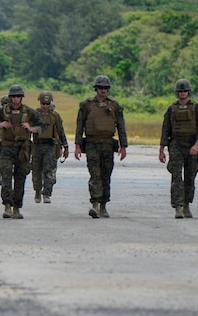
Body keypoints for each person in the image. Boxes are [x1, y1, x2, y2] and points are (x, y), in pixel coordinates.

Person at [0, 85, 43, 219]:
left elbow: (42, 126)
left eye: (18, 96)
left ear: (21, 98)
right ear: (10, 98)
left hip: (22, 149)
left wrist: (31, 128)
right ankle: (7, 206)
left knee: (20, 179)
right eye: (13, 97)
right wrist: (1, 125)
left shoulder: (29, 112)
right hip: (6, 148)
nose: (16, 99)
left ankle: (16, 208)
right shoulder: (2, 111)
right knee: (6, 178)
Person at [74, 75, 128, 219]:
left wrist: (123, 146)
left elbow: (121, 126)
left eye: (105, 88)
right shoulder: (87, 105)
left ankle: (103, 205)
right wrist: (77, 145)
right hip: (92, 144)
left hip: (108, 144)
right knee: (95, 174)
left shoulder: (114, 106)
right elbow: (80, 125)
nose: (103, 90)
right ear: (96, 89)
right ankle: (95, 204)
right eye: (100, 88)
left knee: (106, 175)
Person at [159, 79, 198, 219]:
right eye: (180, 91)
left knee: (190, 176)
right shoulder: (171, 109)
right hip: (176, 145)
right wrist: (161, 149)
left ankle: (186, 204)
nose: (182, 93)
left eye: (184, 91)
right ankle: (178, 207)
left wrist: (197, 145)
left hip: (192, 144)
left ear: (188, 92)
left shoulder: (197, 109)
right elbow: (165, 129)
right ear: (177, 93)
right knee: (176, 176)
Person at [32, 91, 68, 204]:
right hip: (37, 145)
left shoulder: (55, 116)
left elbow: (61, 131)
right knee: (36, 170)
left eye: (47, 104)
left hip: (50, 146)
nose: (45, 106)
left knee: (49, 170)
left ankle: (46, 193)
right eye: (43, 103)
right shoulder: (34, 114)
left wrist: (65, 146)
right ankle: (37, 190)